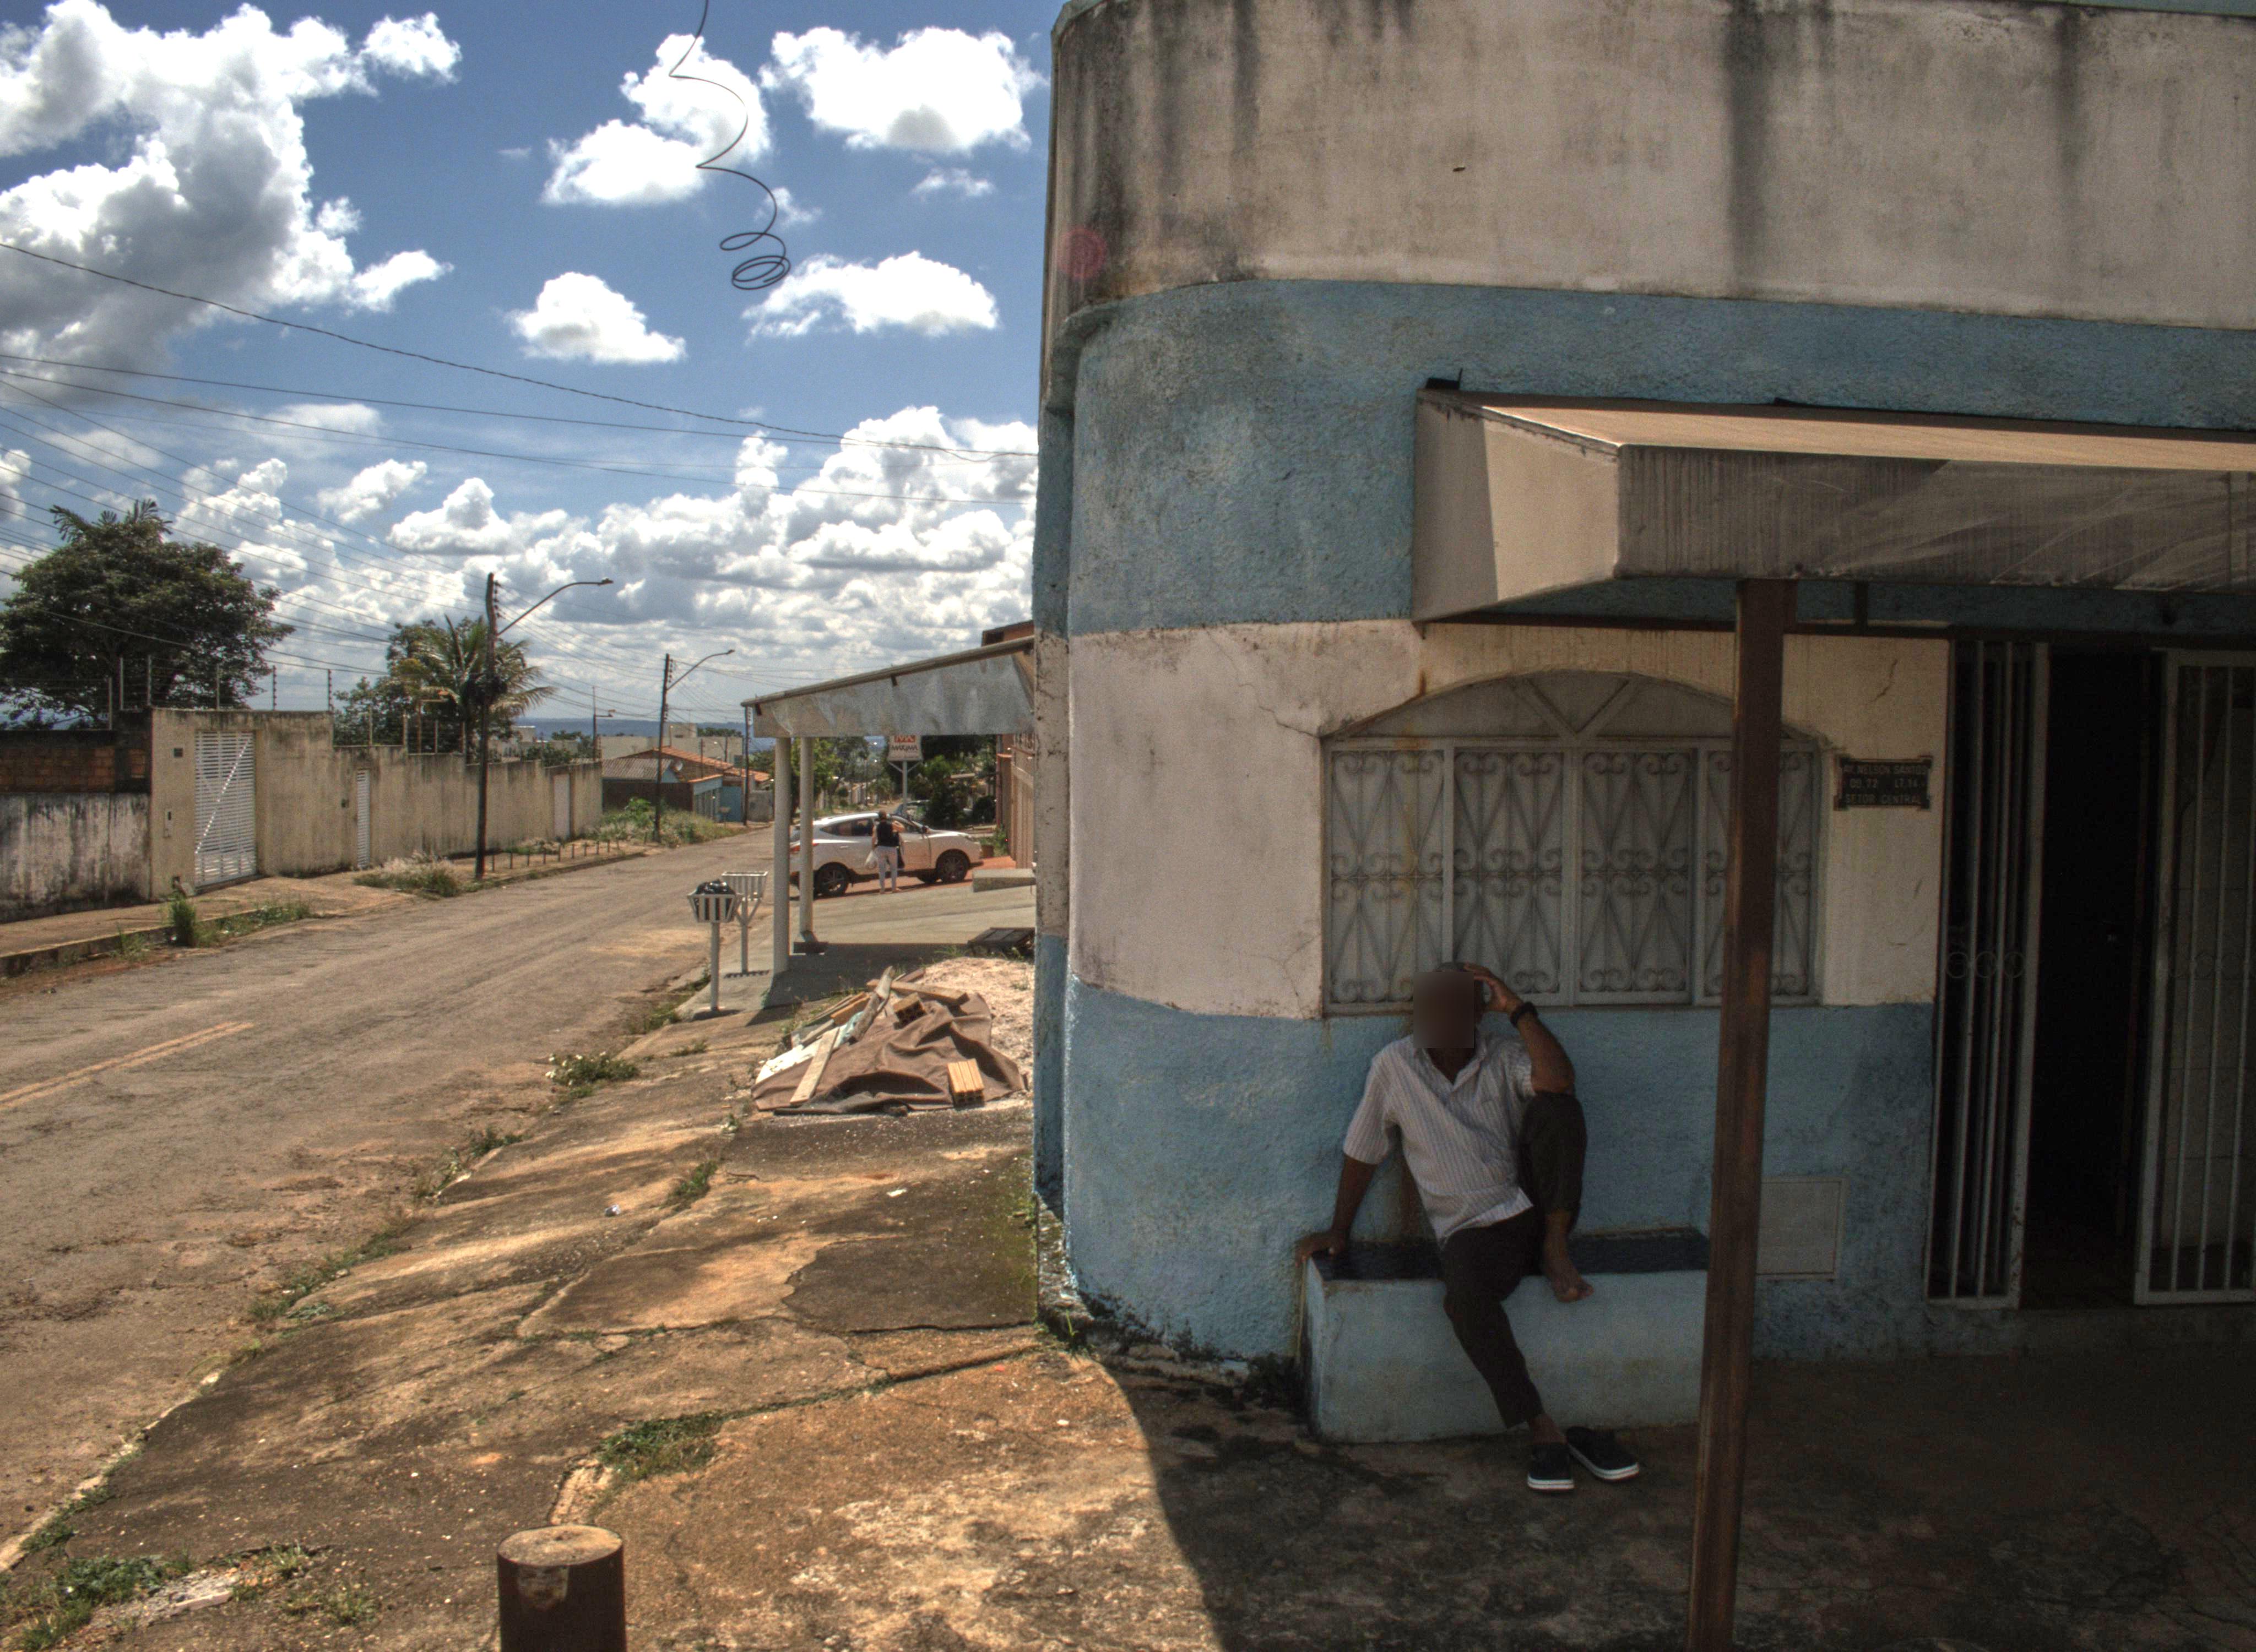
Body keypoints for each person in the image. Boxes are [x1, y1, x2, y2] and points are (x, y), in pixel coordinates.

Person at [1296, 963, 1641, 1494]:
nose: (1436, 1016)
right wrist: (1339, 1230)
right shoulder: (1394, 1066)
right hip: (1471, 1231)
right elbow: (1363, 1150)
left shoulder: (1502, 1055)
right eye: (1427, 1005)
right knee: (1464, 1299)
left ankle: (1554, 1247)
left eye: (1452, 1005)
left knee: (1559, 1109)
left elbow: (1558, 1080)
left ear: (1478, 1014)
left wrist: (1518, 1009)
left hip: (1531, 1208)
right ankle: (1542, 1428)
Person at [871, 809, 903, 893]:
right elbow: (902, 829)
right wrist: (897, 823)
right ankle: (894, 888)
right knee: (894, 869)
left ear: (879, 817)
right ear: (886, 816)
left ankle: (882, 889)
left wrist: (873, 848)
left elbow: (874, 838)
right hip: (891, 848)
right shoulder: (891, 825)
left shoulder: (877, 827)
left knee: (882, 870)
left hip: (881, 848)